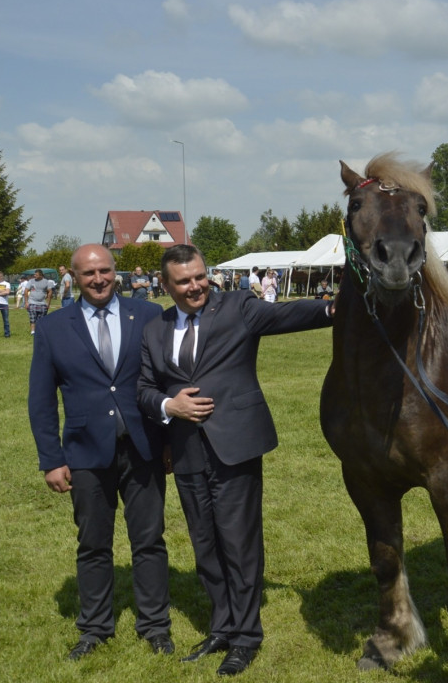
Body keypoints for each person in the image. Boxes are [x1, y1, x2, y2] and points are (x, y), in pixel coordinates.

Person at [137, 244, 333, 676]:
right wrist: (170, 406)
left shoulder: (237, 307)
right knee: (205, 544)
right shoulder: (156, 328)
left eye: (200, 276)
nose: (195, 286)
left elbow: (287, 316)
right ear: (166, 286)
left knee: (239, 544)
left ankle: (246, 638)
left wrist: (333, 308)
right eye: (184, 281)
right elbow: (145, 388)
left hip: (236, 445)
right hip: (187, 450)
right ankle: (222, 626)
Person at [27, 244, 170, 660]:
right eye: (88, 273)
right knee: (92, 544)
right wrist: (51, 459)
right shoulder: (54, 328)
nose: (99, 279)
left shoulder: (147, 316)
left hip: (143, 448)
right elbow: (40, 400)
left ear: (115, 272)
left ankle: (155, 626)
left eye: (105, 271)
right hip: (85, 454)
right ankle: (94, 629)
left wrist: (170, 443)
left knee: (149, 541)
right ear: (73, 276)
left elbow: (166, 381)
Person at [25, 268, 54, 335]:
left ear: (41, 275)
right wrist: (26, 302)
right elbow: (26, 290)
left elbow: (50, 292)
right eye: (34, 274)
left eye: (36, 275)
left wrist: (48, 303)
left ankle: (40, 331)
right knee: (32, 318)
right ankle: (33, 331)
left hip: (42, 303)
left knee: (41, 319)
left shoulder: (47, 282)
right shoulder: (31, 281)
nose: (35, 276)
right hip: (32, 302)